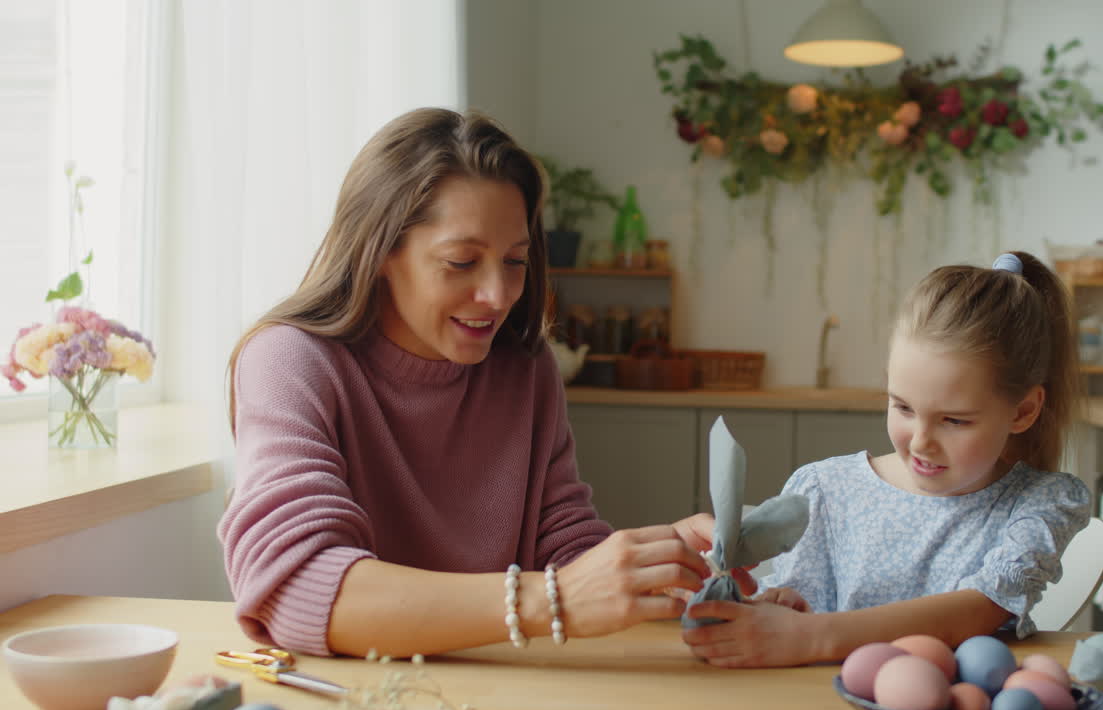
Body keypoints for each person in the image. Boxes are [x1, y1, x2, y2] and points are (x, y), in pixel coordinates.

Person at [218, 108, 726, 659]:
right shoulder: (290, 361)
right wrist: (553, 598)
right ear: (382, 251)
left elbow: (562, 547)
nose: (498, 294)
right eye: (462, 262)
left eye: (514, 262)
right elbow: (294, 590)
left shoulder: (525, 371)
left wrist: (668, 573)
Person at [682, 251, 1091, 668]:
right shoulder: (825, 490)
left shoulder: (1042, 502)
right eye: (903, 408)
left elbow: (981, 608)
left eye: (954, 420)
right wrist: (783, 607)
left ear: (1022, 412)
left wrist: (810, 636)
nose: (921, 442)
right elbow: (799, 614)